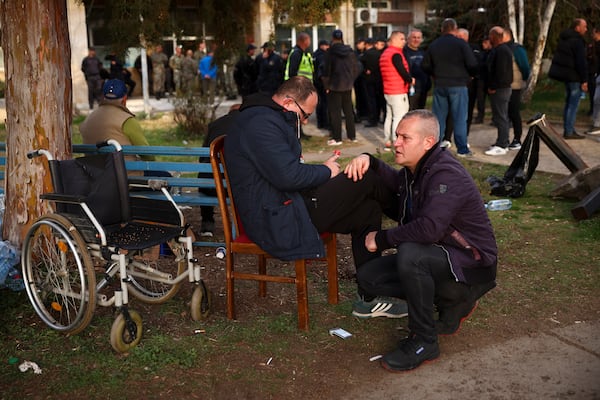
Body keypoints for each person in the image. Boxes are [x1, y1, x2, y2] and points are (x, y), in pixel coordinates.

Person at [344, 109, 497, 372]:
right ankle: (453, 302)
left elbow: (428, 230)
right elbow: (392, 182)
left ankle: (425, 340)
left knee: (411, 254)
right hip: (440, 256)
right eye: (396, 136)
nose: (396, 143)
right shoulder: (414, 169)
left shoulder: (446, 174)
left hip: (471, 262)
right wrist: (368, 159)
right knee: (370, 276)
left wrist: (380, 239)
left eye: (405, 138)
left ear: (428, 142)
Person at [224, 76, 393, 269]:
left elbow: (285, 170)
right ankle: (408, 212)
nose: (305, 121)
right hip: (277, 217)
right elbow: (288, 177)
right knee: (366, 178)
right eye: (305, 115)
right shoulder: (261, 124)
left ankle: (370, 285)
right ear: (288, 102)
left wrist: (322, 170)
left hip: (286, 204)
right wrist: (326, 171)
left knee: (368, 209)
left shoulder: (267, 119)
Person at [421, 18, 478, 157]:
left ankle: (434, 149)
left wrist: (434, 74)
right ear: (455, 29)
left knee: (438, 118)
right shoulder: (461, 44)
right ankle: (462, 149)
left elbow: (425, 65)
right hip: (458, 84)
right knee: (460, 117)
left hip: (440, 84)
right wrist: (470, 75)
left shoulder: (434, 45)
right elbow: (472, 64)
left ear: (442, 29)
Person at [79, 79, 152, 162]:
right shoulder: (127, 120)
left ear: (103, 97)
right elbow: (147, 154)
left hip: (94, 172)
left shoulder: (89, 118)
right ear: (124, 98)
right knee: (164, 174)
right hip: (124, 173)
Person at [549, 18, 589, 139]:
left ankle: (568, 128)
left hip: (566, 76)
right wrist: (584, 80)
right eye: (584, 26)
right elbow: (580, 62)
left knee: (568, 103)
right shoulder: (577, 41)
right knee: (573, 104)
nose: (586, 29)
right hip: (574, 76)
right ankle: (569, 130)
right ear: (577, 27)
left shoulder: (564, 39)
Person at [322, 29, 361, 145]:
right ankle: (352, 136)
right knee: (349, 111)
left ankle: (337, 138)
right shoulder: (350, 52)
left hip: (334, 85)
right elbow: (356, 68)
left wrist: (326, 85)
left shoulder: (330, 52)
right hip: (347, 85)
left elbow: (326, 70)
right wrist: (351, 80)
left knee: (335, 112)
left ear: (333, 38)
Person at [380, 31, 413, 151]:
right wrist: (410, 80)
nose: (404, 41)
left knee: (389, 116)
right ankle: (396, 141)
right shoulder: (395, 54)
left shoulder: (385, 53)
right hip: (397, 90)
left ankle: (387, 140)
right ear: (393, 40)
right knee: (399, 116)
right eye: (402, 39)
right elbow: (402, 71)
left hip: (388, 89)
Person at [484, 26, 513, 156]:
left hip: (500, 89)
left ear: (495, 36)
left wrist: (493, 86)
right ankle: (501, 141)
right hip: (500, 87)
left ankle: (503, 144)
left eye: (491, 36)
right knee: (499, 116)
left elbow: (500, 72)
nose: (489, 38)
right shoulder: (499, 50)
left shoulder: (501, 50)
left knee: (501, 116)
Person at [505, 28, 530, 150]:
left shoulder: (517, 50)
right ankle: (504, 139)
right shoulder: (500, 48)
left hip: (514, 85)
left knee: (514, 112)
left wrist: (523, 79)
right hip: (503, 86)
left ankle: (517, 138)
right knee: (504, 114)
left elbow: (525, 66)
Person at [404, 29, 430, 111]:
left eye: (418, 38)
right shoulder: (404, 52)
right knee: (411, 111)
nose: (416, 40)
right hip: (411, 87)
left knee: (420, 111)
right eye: (414, 37)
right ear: (408, 39)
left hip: (423, 87)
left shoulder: (423, 52)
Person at [361, 37, 383, 128]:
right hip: (379, 80)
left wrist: (366, 70)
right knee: (379, 100)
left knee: (371, 100)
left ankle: (372, 119)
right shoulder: (379, 53)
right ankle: (378, 117)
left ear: (366, 45)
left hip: (369, 80)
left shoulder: (366, 54)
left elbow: (361, 66)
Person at [313, 39, 331, 130]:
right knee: (325, 103)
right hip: (322, 81)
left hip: (315, 81)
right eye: (327, 45)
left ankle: (320, 122)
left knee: (319, 102)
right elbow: (323, 69)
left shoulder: (314, 54)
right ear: (322, 46)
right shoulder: (323, 56)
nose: (328, 47)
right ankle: (326, 123)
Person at [589, 26, 600, 135]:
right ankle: (596, 122)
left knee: (598, 99)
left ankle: (597, 124)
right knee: (596, 99)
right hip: (596, 74)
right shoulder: (593, 45)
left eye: (594, 33)